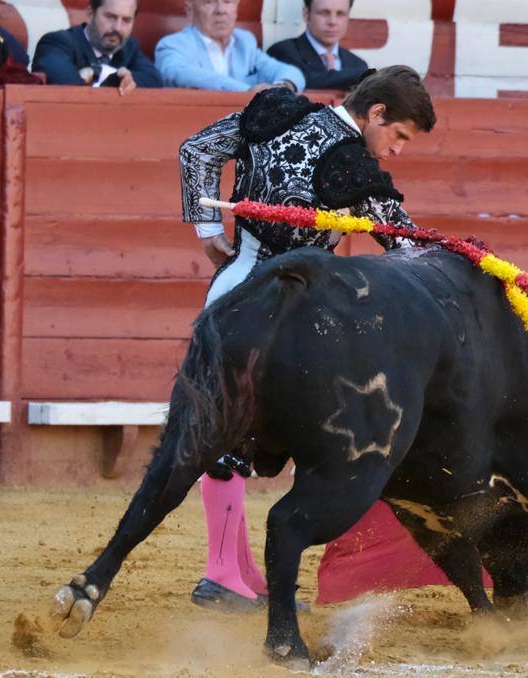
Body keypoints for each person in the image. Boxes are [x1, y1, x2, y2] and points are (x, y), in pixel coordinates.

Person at [178, 65, 436, 611]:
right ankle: (223, 575)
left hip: (231, 288)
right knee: (265, 433)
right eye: (398, 137)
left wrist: (209, 235)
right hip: (289, 315)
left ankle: (235, 569)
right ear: (376, 114)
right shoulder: (355, 166)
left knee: (225, 430)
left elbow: (196, 152)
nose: (396, 152)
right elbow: (408, 249)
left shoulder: (279, 112)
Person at [155, 0, 305, 93]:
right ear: (190, 10)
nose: (220, 10)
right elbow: (182, 73)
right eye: (209, 2)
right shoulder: (171, 45)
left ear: (236, 9)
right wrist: (247, 90)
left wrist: (283, 86)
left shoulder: (245, 42)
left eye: (228, 1)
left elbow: (288, 71)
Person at [32, 0, 162, 94]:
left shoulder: (129, 48)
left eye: (126, 20)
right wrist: (113, 79)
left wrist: (97, 72)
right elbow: (69, 89)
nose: (117, 28)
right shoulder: (56, 43)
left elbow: (154, 81)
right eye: (111, 17)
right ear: (90, 13)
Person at [266, 0, 368, 91]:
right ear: (306, 15)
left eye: (340, 14)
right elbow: (305, 79)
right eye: (324, 13)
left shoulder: (357, 64)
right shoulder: (283, 51)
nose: (333, 22)